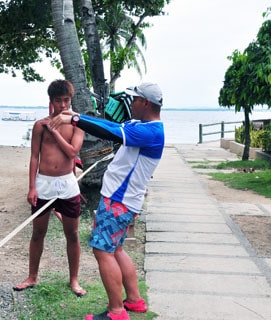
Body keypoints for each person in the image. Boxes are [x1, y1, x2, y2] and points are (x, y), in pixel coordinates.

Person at [49, 82, 165, 320]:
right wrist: (77, 117)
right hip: (123, 201)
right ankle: (134, 300)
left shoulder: (151, 132)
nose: (130, 103)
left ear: (145, 103)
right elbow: (113, 125)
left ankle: (116, 312)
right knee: (116, 249)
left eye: (134, 100)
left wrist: (74, 120)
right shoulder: (141, 126)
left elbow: (111, 132)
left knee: (103, 251)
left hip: (118, 202)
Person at [13, 79, 87, 297]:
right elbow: (34, 158)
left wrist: (55, 131)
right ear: (51, 101)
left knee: (72, 233)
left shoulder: (77, 123)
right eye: (59, 101)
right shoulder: (40, 125)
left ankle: (74, 280)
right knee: (38, 232)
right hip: (44, 182)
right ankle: (32, 276)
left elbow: (73, 152)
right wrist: (31, 187)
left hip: (67, 184)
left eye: (67, 100)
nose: (63, 106)